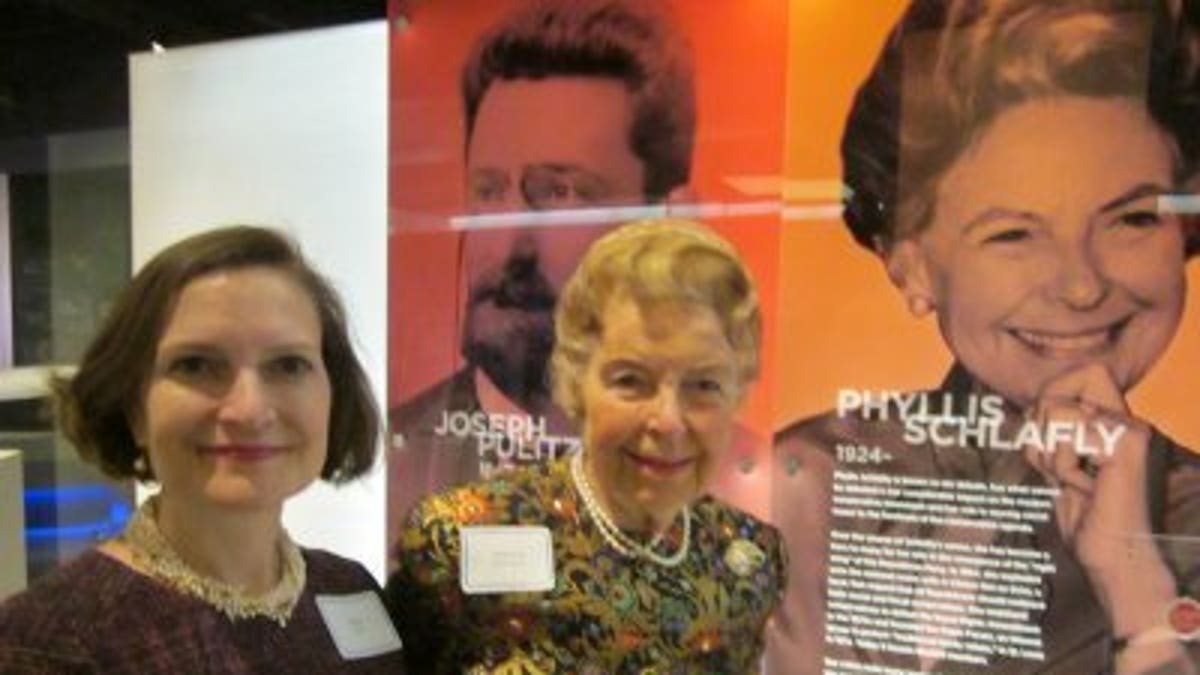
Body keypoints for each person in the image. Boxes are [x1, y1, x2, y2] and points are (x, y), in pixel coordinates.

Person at [772, 1, 1200, 673]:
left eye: (1131, 219)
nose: (1081, 286)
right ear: (911, 264)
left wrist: (1137, 590)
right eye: (1013, 234)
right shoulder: (810, 474)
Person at [386, 219, 785, 673]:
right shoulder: (453, 539)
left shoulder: (749, 558)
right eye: (631, 381)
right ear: (576, 380)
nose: (668, 421)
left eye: (704, 385)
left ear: (738, 393)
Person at [0, 226, 405, 673]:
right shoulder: (47, 641)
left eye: (288, 365)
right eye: (196, 365)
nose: (249, 410)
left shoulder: (349, 589)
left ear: (334, 393)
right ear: (133, 406)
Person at [388, 0, 698, 529]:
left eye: (560, 191)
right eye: (489, 191)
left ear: (663, 221)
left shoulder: (713, 468)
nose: (508, 243)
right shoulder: (391, 457)